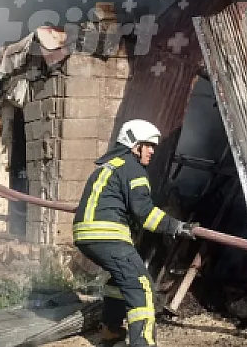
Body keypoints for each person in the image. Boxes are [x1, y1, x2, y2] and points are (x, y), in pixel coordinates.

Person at [71, 120, 196, 347]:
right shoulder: (133, 168)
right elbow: (145, 213)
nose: (152, 151)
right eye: (147, 145)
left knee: (120, 281)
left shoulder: (109, 165)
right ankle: (143, 343)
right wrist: (178, 227)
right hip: (108, 235)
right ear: (133, 145)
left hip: (86, 236)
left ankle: (111, 330)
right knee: (141, 286)